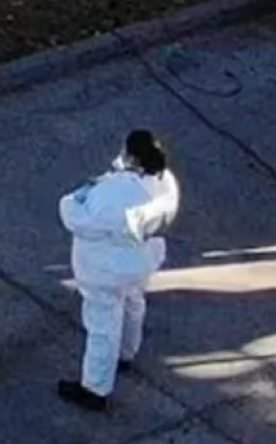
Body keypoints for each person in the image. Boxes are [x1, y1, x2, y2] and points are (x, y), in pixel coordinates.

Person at [57, 156, 175, 413]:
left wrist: (78, 193)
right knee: (134, 302)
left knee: (102, 326)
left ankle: (95, 388)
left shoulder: (108, 193)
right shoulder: (161, 187)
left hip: (104, 272)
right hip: (140, 263)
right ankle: (126, 353)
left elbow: (75, 216)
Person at [113, 130, 179, 372]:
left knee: (126, 301)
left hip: (133, 251)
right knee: (135, 299)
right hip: (151, 250)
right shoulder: (166, 181)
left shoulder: (134, 190)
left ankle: (123, 352)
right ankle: (128, 350)